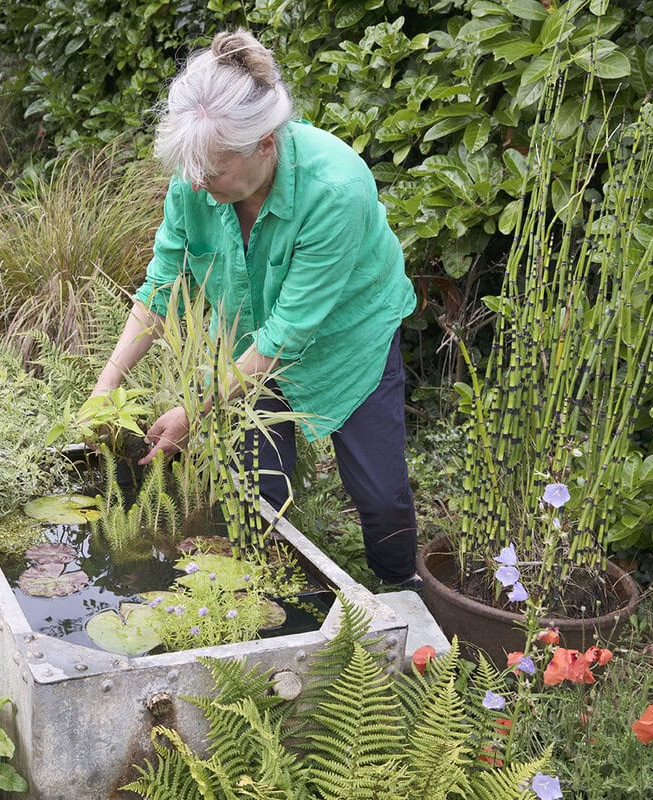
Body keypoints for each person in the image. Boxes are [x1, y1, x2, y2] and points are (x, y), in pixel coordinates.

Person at [89, 30, 421, 587]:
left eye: (212, 170)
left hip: (347, 337)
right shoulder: (195, 180)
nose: (196, 182)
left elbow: (288, 331)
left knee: (380, 493)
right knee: (255, 487)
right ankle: (259, 603)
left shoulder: (334, 189)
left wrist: (194, 412)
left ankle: (402, 591)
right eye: (191, 169)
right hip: (247, 342)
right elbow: (162, 288)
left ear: (264, 144)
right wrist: (105, 389)